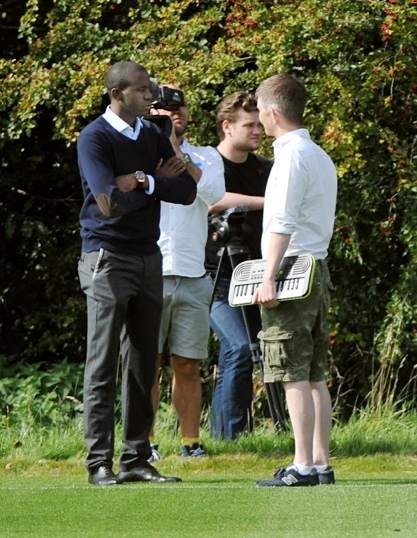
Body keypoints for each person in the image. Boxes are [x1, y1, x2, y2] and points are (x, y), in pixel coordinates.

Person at [77, 61, 197, 486]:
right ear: (118, 94)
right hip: (106, 258)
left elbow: (186, 191)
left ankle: (135, 459)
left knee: (145, 363)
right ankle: (98, 463)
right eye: (144, 90)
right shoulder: (94, 137)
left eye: (152, 89)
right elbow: (107, 202)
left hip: (149, 256)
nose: (152, 96)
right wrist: (147, 184)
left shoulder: (151, 134)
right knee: (103, 362)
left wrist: (142, 181)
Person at [253, 74, 337, 487]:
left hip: (292, 269)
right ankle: (320, 463)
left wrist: (268, 277)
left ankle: (302, 464)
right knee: (315, 371)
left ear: (272, 112)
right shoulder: (319, 153)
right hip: (318, 267)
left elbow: (282, 220)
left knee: (292, 371)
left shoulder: (290, 156)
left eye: (260, 110)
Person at [148, 85, 225, 459]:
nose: (173, 113)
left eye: (179, 108)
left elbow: (211, 193)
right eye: (164, 108)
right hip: (152, 269)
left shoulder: (207, 155)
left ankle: (191, 443)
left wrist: (176, 150)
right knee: (147, 363)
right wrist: (160, 146)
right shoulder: (140, 152)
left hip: (193, 273)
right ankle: (144, 443)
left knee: (188, 363)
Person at [205, 92, 272, 440]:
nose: (258, 130)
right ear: (227, 127)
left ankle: (242, 437)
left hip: (258, 274)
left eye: (260, 124)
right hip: (214, 277)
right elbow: (213, 200)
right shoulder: (206, 163)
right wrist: (267, 202)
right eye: (250, 125)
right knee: (239, 348)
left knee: (266, 351)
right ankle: (227, 439)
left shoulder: (265, 168)